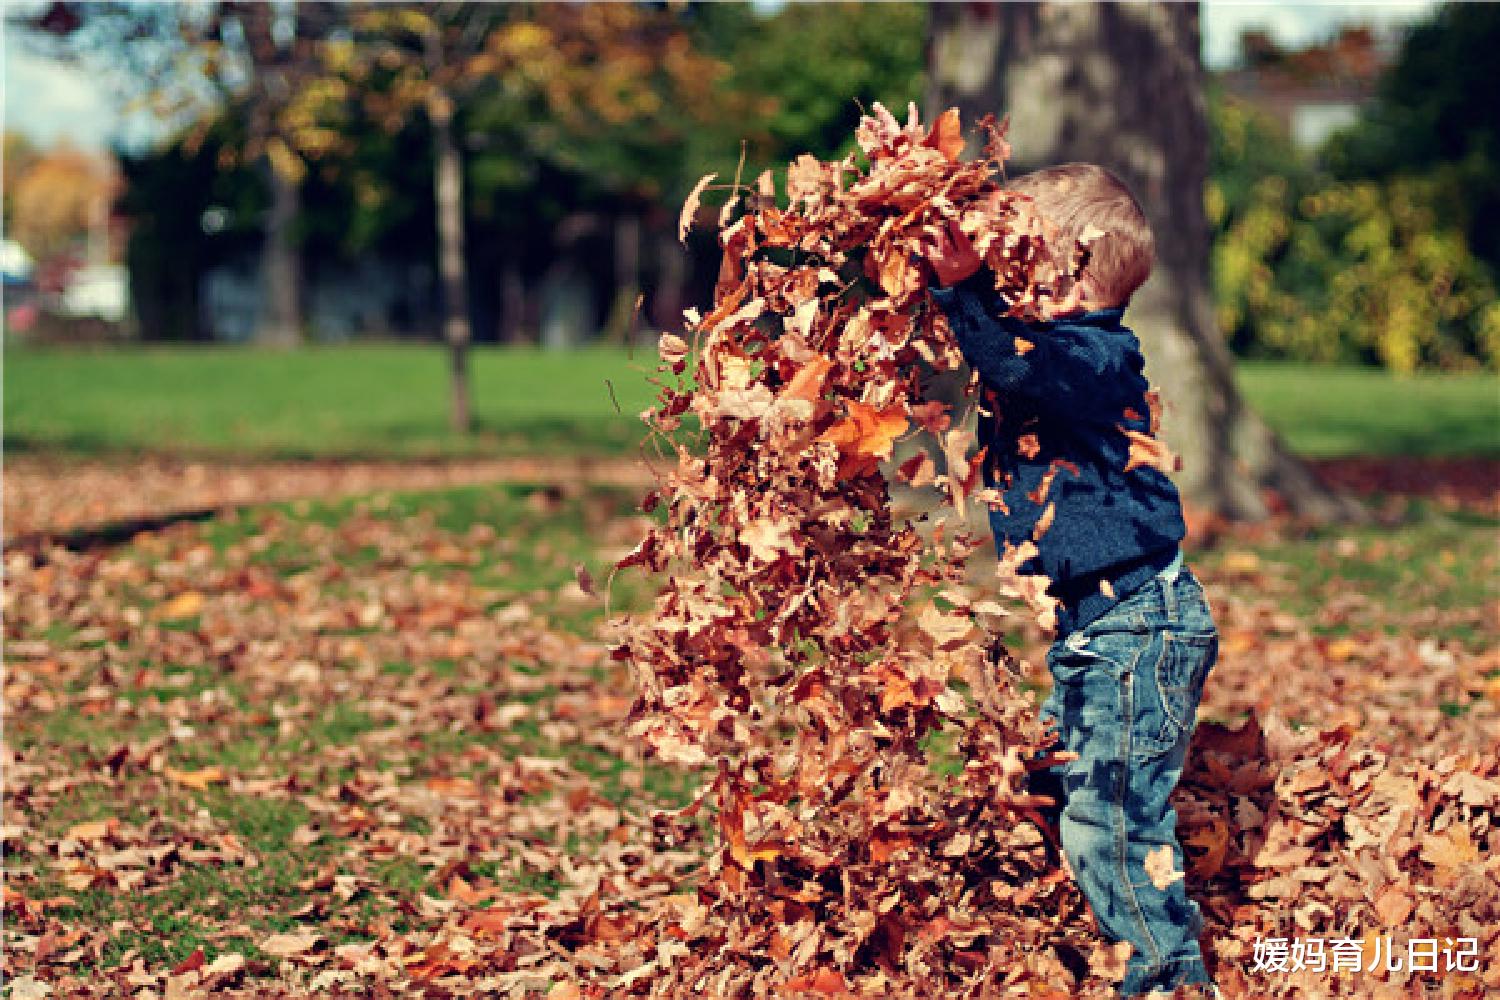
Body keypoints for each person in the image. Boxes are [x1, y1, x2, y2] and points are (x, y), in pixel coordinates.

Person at [919, 163, 1222, 999]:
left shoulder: (1094, 358)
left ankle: (1170, 980)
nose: (1001, 276)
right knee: (1053, 778)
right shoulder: (1054, 349)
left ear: (1067, 273)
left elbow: (1014, 365)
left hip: (1138, 629)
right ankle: (1082, 919)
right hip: (1102, 630)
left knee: (1115, 823)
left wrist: (964, 291)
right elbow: (996, 350)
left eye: (1018, 262)